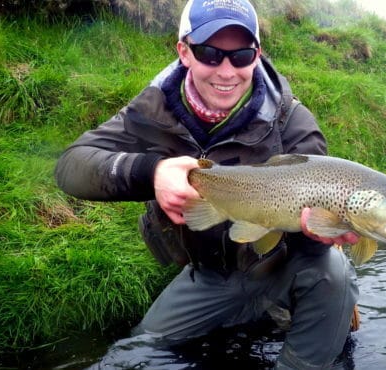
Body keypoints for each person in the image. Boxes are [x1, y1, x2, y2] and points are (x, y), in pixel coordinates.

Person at [55, 0, 359, 368]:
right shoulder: (152, 112)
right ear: (184, 52)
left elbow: (318, 206)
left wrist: (327, 226)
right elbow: (72, 165)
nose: (226, 70)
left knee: (332, 269)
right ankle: (258, 311)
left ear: (257, 55)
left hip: (281, 264)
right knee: (140, 354)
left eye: (241, 55)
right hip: (210, 273)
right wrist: (151, 173)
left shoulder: (290, 120)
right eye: (210, 54)